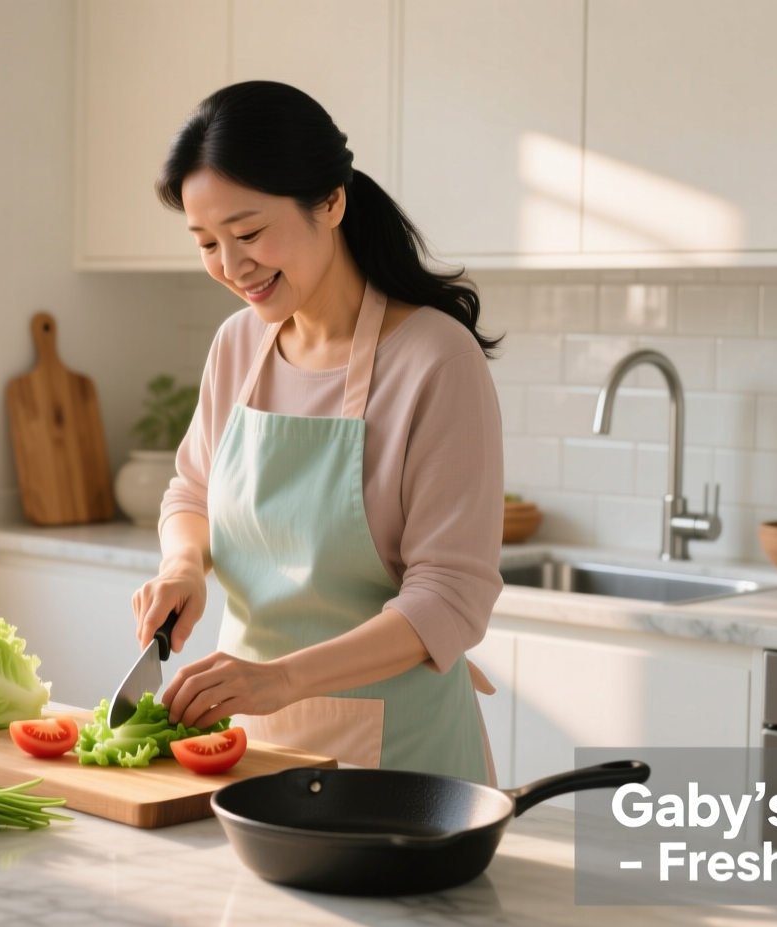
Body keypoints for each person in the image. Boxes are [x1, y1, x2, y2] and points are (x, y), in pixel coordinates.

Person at [134, 80, 504, 783]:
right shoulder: (239, 344)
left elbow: (448, 599)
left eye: (248, 233)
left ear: (330, 201)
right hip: (246, 740)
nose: (232, 266)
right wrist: (183, 567)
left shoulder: (434, 359)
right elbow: (193, 489)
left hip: (401, 765)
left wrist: (279, 678)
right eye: (208, 242)